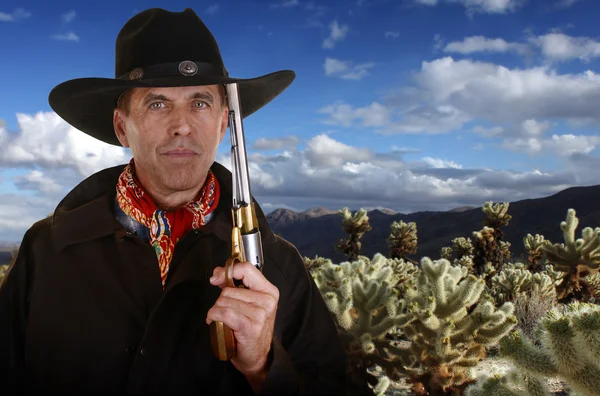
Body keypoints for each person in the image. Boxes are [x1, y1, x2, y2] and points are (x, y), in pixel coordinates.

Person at [0, 8, 350, 395]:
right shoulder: (45, 250)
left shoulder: (278, 265)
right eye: (158, 103)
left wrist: (264, 369)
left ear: (222, 124)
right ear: (122, 127)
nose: (182, 124)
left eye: (200, 103)